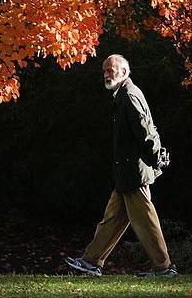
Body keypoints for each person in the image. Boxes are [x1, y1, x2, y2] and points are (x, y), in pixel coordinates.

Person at [64, 54, 178, 278]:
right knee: (112, 219)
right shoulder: (123, 95)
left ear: (124, 72)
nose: (106, 75)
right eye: (104, 71)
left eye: (111, 70)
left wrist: (157, 158)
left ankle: (164, 268)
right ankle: (91, 262)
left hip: (134, 172)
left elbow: (146, 131)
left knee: (145, 221)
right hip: (127, 171)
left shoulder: (130, 96)